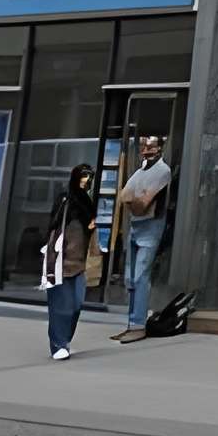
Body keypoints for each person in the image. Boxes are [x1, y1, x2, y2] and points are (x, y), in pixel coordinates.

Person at [110, 133, 171, 345]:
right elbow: (123, 196)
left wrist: (137, 200)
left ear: (160, 149)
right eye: (144, 146)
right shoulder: (141, 171)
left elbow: (141, 203)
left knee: (140, 276)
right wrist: (137, 199)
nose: (146, 150)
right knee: (130, 278)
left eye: (151, 147)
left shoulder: (162, 171)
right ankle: (132, 324)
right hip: (137, 226)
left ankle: (137, 325)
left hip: (151, 226)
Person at [40, 163, 97, 360]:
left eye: (89, 177)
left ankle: (65, 339)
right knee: (60, 307)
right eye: (83, 176)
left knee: (76, 305)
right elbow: (54, 227)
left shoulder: (87, 203)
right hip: (60, 262)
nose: (86, 180)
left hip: (80, 263)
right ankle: (58, 345)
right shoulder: (65, 200)